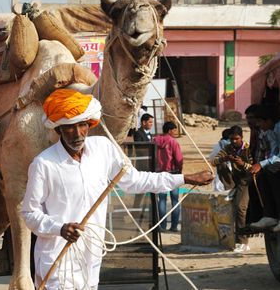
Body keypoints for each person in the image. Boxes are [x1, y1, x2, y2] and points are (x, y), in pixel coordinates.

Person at [21, 89, 212, 289]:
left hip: (90, 256)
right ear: (58, 129)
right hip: (57, 258)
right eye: (70, 127)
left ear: (89, 125)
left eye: (82, 125)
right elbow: (29, 213)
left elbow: (136, 180)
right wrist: (59, 228)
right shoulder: (43, 163)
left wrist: (185, 178)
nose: (77, 134)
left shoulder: (103, 148)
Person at [211, 125, 253, 253]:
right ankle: (230, 188)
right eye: (232, 139)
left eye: (236, 139)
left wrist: (242, 164)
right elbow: (213, 161)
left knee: (240, 208)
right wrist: (225, 158)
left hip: (247, 180)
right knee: (221, 164)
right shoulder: (228, 147)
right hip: (235, 179)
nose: (234, 141)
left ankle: (243, 241)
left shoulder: (248, 149)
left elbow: (253, 167)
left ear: (241, 137)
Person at [250, 105, 280, 232]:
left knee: (272, 174)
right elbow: (275, 152)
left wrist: (262, 164)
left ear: (268, 121)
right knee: (262, 175)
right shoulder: (270, 131)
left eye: (260, 122)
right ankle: (270, 215)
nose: (259, 125)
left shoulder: (279, 128)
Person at [153, 121, 183, 232]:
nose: (175, 132)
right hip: (173, 173)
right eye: (174, 130)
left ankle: (162, 226)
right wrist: (180, 170)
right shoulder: (173, 142)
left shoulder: (155, 140)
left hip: (159, 173)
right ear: (170, 130)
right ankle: (174, 226)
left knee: (162, 200)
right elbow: (179, 158)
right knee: (175, 200)